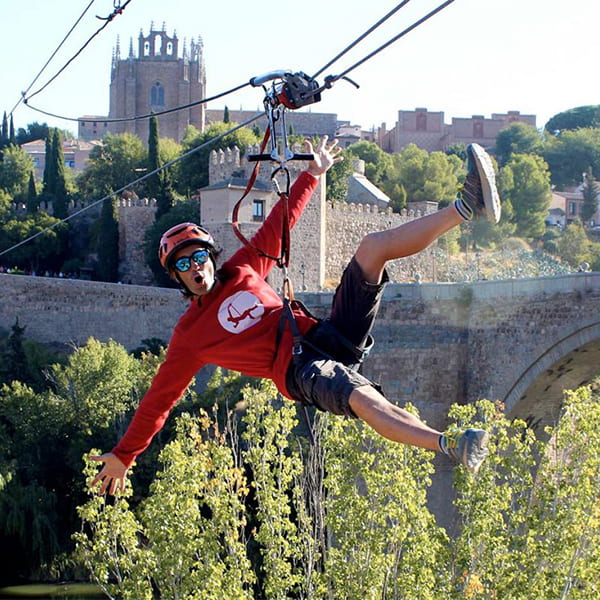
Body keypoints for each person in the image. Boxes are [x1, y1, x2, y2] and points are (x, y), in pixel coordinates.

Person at [91, 136, 500, 495]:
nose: (195, 268)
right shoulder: (190, 336)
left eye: (199, 257)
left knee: (372, 248)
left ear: (211, 258)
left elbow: (280, 221)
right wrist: (125, 455)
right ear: (177, 279)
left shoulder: (244, 268)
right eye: (183, 266)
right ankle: (452, 445)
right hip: (301, 369)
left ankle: (466, 206)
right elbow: (158, 401)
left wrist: (314, 173)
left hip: (326, 334)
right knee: (361, 397)